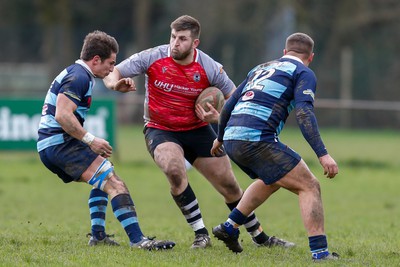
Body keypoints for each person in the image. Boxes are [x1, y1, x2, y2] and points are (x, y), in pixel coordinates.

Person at [103, 15, 294, 249]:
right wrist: (115, 85)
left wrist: (218, 117)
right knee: (174, 170)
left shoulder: (209, 67)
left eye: (182, 39)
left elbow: (235, 99)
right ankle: (201, 234)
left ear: (195, 43)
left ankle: (260, 238)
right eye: (173, 37)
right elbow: (113, 72)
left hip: (198, 129)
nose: (175, 43)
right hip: (160, 129)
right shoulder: (153, 56)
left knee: (230, 186)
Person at [37, 30, 175, 250]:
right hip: (60, 144)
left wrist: (116, 87)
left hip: (53, 144)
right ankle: (138, 241)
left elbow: (64, 113)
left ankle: (98, 236)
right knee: (115, 183)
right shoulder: (79, 77)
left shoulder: (79, 74)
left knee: (104, 177)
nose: (113, 69)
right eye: (110, 63)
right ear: (96, 60)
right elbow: (62, 115)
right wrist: (90, 140)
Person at [210, 32, 340, 261]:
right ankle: (320, 253)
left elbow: (229, 104)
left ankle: (230, 226)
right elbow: (304, 112)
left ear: (284, 53)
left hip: (232, 138)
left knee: (272, 178)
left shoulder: (260, 68)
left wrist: (220, 137)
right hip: (256, 138)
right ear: (311, 57)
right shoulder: (303, 72)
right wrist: (323, 154)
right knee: (310, 185)